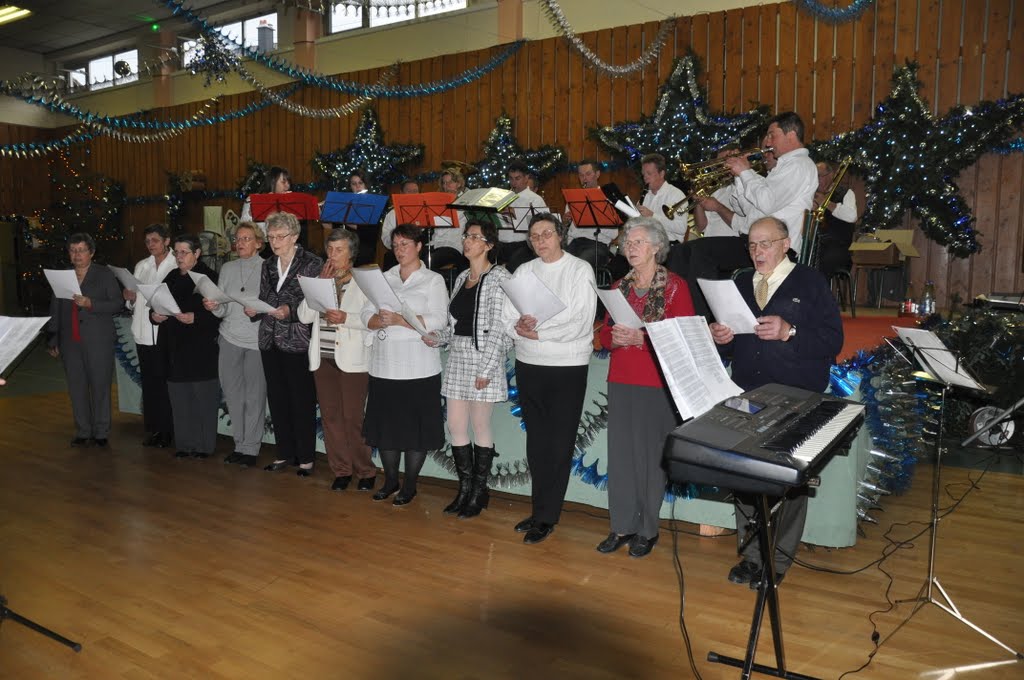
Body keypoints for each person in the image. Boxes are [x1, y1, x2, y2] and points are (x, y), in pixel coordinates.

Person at [709, 216, 843, 588]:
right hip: (745, 394)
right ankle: (752, 557)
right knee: (745, 474)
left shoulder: (810, 282)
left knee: (787, 479)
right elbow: (737, 341)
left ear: (786, 244)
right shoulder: (739, 282)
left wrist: (791, 332)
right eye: (752, 245)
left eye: (765, 243)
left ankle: (778, 559)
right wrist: (723, 338)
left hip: (796, 393)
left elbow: (833, 341)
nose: (757, 252)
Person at [597, 217, 695, 558]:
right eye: (627, 242)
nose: (630, 248)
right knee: (621, 456)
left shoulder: (676, 287)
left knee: (652, 458)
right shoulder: (618, 287)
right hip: (621, 377)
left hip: (657, 381)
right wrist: (615, 336)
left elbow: (684, 338)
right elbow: (604, 333)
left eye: (638, 242)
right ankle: (622, 525)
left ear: (656, 247)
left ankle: (648, 529)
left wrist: (643, 337)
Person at [503, 213, 597, 544]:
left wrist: (537, 332)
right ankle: (538, 509)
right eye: (535, 236)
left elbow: (581, 321)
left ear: (560, 236)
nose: (540, 241)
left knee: (558, 444)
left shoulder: (578, 270)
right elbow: (506, 313)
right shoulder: (525, 271)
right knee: (537, 442)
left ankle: (548, 516)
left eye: (546, 234)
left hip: (566, 366)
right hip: (529, 363)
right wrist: (517, 327)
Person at [425, 218, 511, 519]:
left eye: (474, 237)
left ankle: (479, 491)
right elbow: (456, 325)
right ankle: (464, 489)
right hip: (459, 357)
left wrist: (486, 370)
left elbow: (501, 329)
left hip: (483, 358)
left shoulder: (500, 277)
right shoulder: (462, 277)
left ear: (489, 244)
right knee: (456, 426)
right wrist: (436, 338)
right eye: (466, 236)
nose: (466, 241)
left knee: (481, 426)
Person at [361, 224, 449, 505]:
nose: (399, 250)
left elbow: (439, 320)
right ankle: (389, 481)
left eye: (405, 244)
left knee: (415, 432)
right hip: (384, 366)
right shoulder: (382, 278)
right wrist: (378, 320)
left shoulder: (433, 280)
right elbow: (365, 314)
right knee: (386, 430)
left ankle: (409, 485)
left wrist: (402, 320)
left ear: (419, 246)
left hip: (419, 367)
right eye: (396, 245)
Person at [297, 228, 376, 492]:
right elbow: (304, 317)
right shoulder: (320, 279)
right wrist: (319, 284)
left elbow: (373, 321)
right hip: (323, 358)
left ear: (351, 253)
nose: (333, 255)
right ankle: (341, 470)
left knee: (353, 418)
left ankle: (365, 470)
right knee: (330, 417)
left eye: (339, 250)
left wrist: (347, 319)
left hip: (352, 360)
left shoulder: (364, 282)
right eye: (330, 250)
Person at [249, 212, 323, 477]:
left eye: (280, 237)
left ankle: (305, 458)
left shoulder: (312, 263)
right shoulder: (268, 264)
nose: (274, 242)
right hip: (269, 338)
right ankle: (284, 453)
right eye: (270, 237)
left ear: (294, 236)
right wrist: (255, 310)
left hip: (297, 339)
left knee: (301, 400)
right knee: (277, 399)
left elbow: (314, 301)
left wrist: (288, 310)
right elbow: (264, 296)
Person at [46, 233, 123, 447]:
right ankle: (83, 430)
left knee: (100, 386)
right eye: (73, 250)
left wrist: (92, 304)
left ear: (92, 252)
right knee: (76, 387)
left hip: (99, 340)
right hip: (70, 341)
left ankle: (101, 432)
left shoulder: (104, 274)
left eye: (81, 250)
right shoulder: (63, 276)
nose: (77, 255)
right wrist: (53, 338)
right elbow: (56, 309)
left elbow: (117, 304)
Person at [150, 234, 221, 460]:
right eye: (177, 252)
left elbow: (220, 314)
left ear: (197, 253)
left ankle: (204, 446)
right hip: (174, 347)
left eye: (184, 252)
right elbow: (156, 304)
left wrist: (196, 318)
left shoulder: (208, 277)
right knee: (180, 399)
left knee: (203, 399)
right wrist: (154, 316)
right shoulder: (171, 276)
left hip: (201, 348)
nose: (179, 257)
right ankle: (184, 444)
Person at [670, 144, 760, 318]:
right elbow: (702, 226)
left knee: (697, 252)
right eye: (720, 161)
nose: (723, 165)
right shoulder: (716, 189)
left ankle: (702, 315)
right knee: (677, 251)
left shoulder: (743, 187)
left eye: (727, 159)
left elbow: (745, 222)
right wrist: (698, 203)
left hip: (733, 241)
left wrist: (717, 207)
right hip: (709, 241)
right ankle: (678, 308)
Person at [203, 222, 267, 466]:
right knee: (233, 395)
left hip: (255, 341)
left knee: (254, 396)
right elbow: (223, 306)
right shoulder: (228, 268)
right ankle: (239, 444)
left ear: (259, 243)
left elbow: (270, 307)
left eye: (246, 238)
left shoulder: (267, 268)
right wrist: (215, 306)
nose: (240, 243)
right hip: (228, 337)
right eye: (238, 239)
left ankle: (251, 448)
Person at [723, 112, 818, 255]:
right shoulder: (783, 167)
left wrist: (745, 172)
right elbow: (749, 211)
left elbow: (767, 203)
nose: (767, 143)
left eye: (772, 135)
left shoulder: (799, 165)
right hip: (759, 243)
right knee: (693, 251)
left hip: (777, 249)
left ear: (791, 135)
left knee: (695, 252)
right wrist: (739, 176)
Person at [126, 223, 177, 448]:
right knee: (150, 384)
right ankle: (154, 428)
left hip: (165, 332)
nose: (150, 245)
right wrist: (130, 297)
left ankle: (167, 430)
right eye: (147, 241)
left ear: (167, 241)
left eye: (155, 240)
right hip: (143, 331)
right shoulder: (142, 265)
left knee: (165, 383)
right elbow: (133, 302)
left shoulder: (176, 263)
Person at [565, 159, 627, 281]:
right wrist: (566, 221)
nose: (584, 178)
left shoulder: (608, 197)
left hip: (598, 245)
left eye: (588, 174)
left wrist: (595, 220)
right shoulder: (574, 198)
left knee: (580, 267)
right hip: (574, 242)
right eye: (581, 175)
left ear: (597, 174)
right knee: (560, 265)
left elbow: (613, 234)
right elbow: (569, 230)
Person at [812, 160, 858, 276]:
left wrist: (826, 203)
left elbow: (852, 216)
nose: (816, 180)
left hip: (838, 247)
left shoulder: (846, 193)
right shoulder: (810, 194)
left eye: (820, 176)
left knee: (823, 261)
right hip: (815, 245)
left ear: (831, 175)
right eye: (814, 176)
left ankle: (820, 293)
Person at [497, 160, 544, 273]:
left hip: (523, 244)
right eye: (511, 178)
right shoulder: (503, 197)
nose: (514, 183)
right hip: (501, 242)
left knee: (512, 267)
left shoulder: (535, 199)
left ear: (526, 178)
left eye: (517, 178)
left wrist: (514, 213)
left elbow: (540, 226)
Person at [637, 153, 689, 245]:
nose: (645, 177)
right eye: (643, 174)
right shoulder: (646, 195)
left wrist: (653, 216)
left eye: (649, 173)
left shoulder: (676, 194)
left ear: (661, 174)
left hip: (670, 247)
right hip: (647, 245)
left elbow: (681, 228)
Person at [428, 168, 470, 273]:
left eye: (450, 182)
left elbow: (446, 228)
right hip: (436, 245)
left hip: (453, 247)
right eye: (444, 183)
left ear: (459, 184)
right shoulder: (439, 202)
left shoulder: (466, 202)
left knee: (427, 263)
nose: (446, 186)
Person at [240, 165, 291, 238]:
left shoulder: (290, 202)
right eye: (283, 182)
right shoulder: (253, 200)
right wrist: (250, 216)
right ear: (273, 182)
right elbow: (243, 227)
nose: (287, 186)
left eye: (288, 183)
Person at [381, 178, 420, 269]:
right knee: (389, 257)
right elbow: (386, 238)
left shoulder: (424, 212)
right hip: (398, 249)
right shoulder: (392, 214)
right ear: (401, 193)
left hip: (419, 249)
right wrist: (398, 244)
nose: (412, 194)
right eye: (409, 191)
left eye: (415, 191)